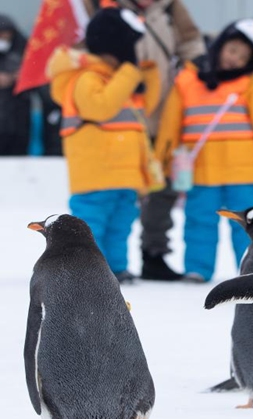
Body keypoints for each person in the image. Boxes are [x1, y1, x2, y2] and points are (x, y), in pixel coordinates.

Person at [82, 0, 207, 281]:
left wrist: (196, 70)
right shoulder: (103, 7)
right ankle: (104, 260)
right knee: (120, 192)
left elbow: (192, 45)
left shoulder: (171, 10)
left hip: (166, 113)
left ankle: (154, 252)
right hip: (124, 114)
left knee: (162, 189)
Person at [154, 19, 253, 283]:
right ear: (220, 45)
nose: (235, 59)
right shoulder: (187, 80)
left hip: (244, 171)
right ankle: (197, 269)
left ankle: (252, 269)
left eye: (244, 57)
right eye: (233, 50)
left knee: (247, 224)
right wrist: (162, 158)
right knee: (199, 221)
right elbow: (170, 124)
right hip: (201, 169)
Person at [48, 8, 161, 283]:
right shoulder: (86, 78)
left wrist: (147, 74)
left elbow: (146, 106)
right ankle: (85, 270)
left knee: (120, 226)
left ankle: (115, 268)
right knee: (91, 226)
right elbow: (100, 107)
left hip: (125, 174)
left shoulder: (119, 82)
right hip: (96, 173)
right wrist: (129, 74)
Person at [0, 14, 30, 156]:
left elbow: (36, 77)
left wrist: (20, 78)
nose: (4, 38)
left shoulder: (23, 48)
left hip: (18, 116)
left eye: (7, 34)